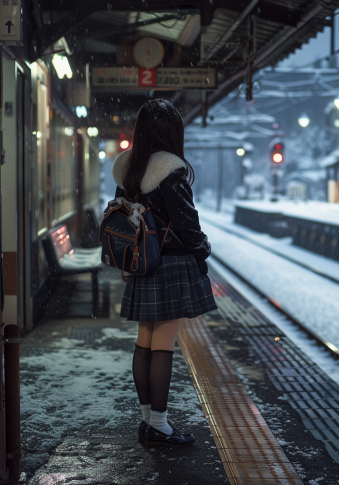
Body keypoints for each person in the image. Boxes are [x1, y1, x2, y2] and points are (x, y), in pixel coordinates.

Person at [111, 99, 218, 447]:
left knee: (145, 343)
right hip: (170, 265)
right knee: (164, 346)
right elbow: (188, 223)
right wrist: (202, 250)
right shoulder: (170, 172)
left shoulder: (128, 171)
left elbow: (125, 222)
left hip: (142, 263)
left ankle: (148, 420)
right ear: (172, 132)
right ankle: (159, 424)